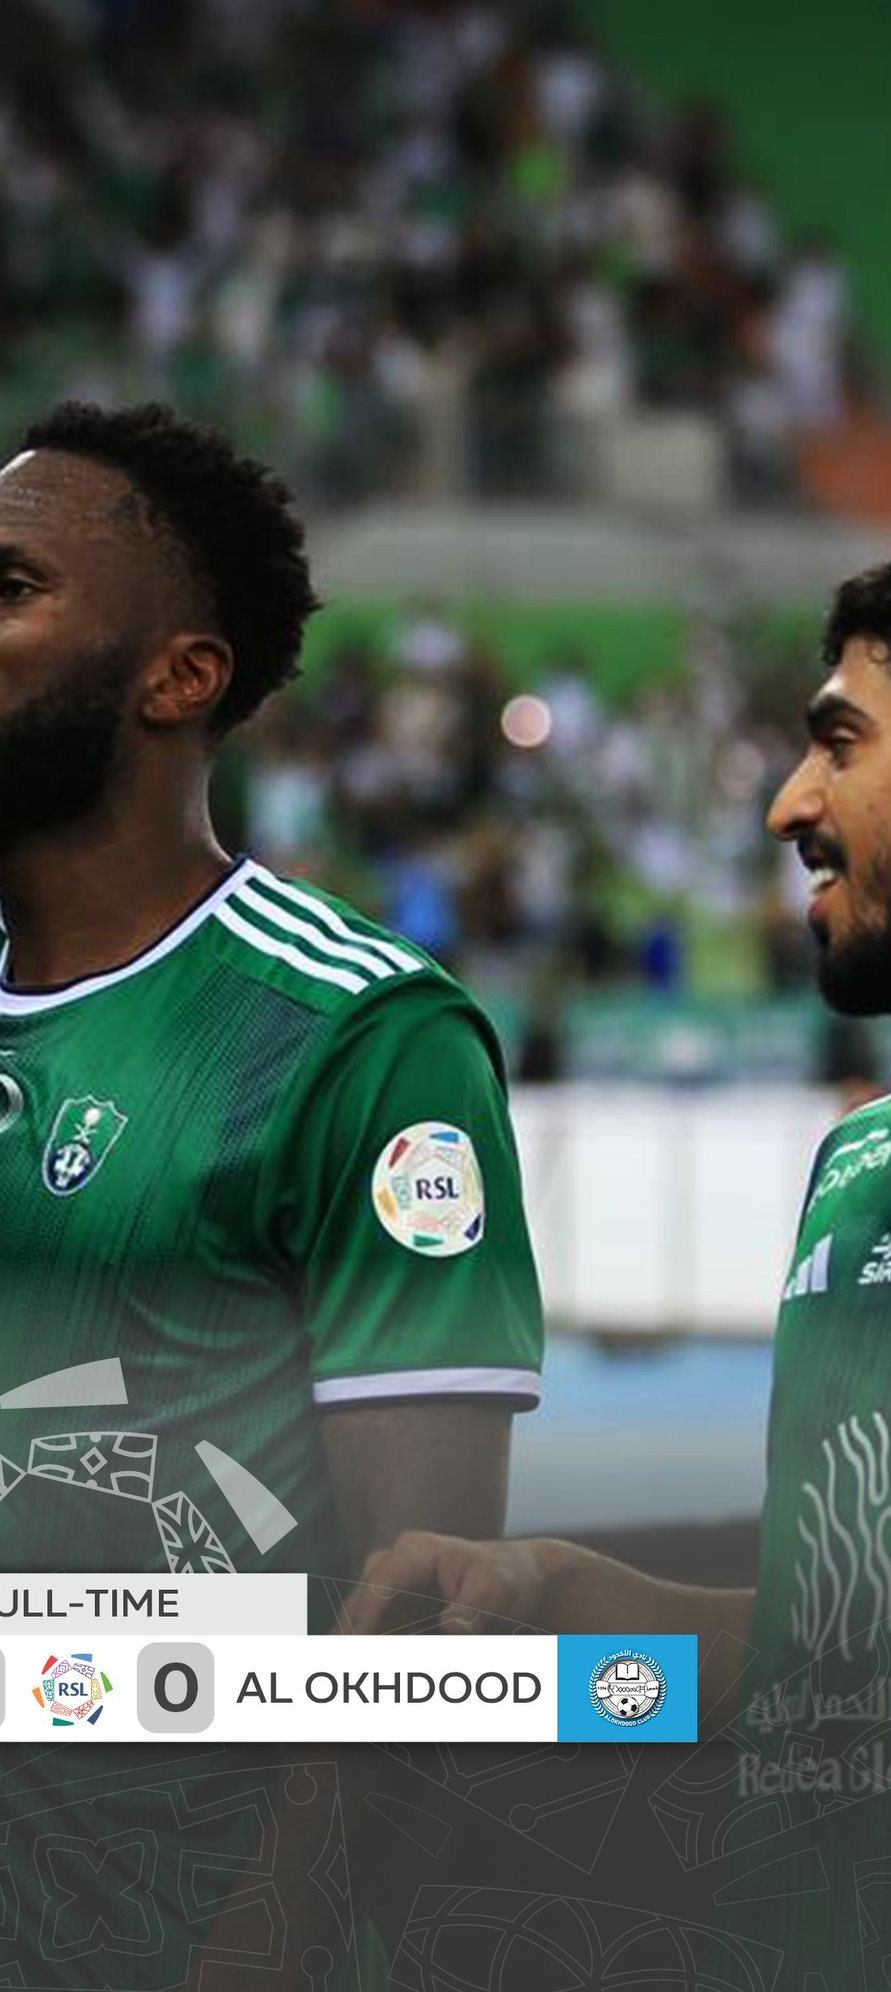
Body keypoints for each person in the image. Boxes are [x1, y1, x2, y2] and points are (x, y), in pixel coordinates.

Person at [0, 402, 543, 1984]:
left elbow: (431, 1626)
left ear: (177, 678)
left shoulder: (360, 1041)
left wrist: (256, 1959)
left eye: (5, 589)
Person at [350, 562, 891, 1983]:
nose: (787, 804)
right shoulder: (858, 1169)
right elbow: (830, 1665)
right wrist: (567, 1607)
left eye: (841, 744)